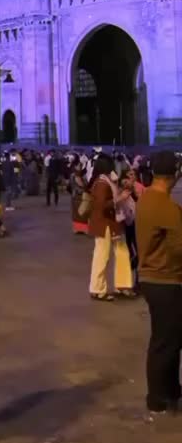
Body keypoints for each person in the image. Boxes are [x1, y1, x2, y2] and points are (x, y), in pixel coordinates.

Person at [136, 151, 182, 415]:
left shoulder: (146, 199)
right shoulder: (167, 207)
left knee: (169, 338)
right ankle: (157, 397)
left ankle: (171, 389)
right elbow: (179, 248)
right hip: (166, 279)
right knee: (165, 342)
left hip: (150, 278)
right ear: (174, 176)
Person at [88, 153, 135, 301]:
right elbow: (102, 205)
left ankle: (121, 285)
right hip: (106, 224)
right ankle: (99, 288)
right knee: (103, 255)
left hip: (112, 223)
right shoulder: (102, 183)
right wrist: (120, 198)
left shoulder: (105, 181)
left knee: (120, 253)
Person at [69, 157, 89, 234]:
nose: (80, 167)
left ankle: (79, 229)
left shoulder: (77, 174)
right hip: (78, 195)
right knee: (79, 213)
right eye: (79, 165)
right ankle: (80, 229)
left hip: (76, 195)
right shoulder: (75, 175)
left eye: (81, 166)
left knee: (79, 213)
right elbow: (80, 184)